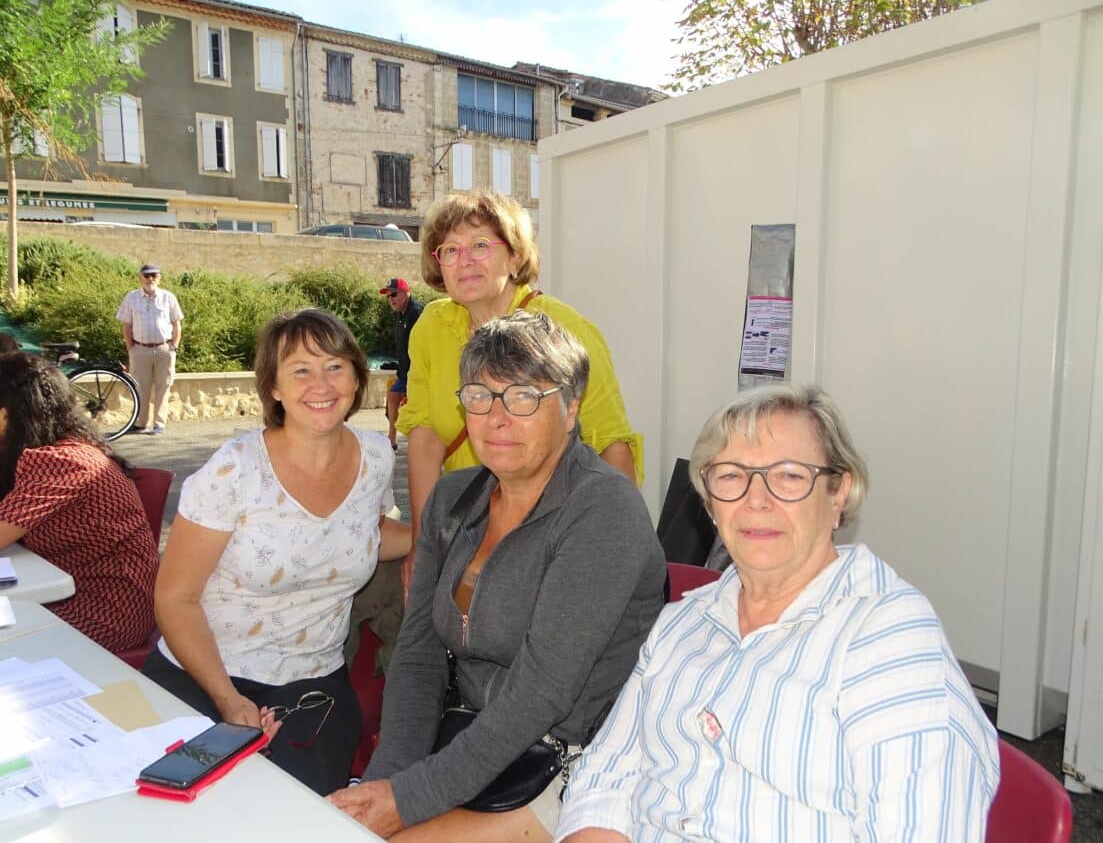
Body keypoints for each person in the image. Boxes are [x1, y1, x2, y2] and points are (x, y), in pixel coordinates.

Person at [556, 384, 1001, 842]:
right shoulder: (684, 623)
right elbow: (607, 772)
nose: (756, 499)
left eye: (789, 476)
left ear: (838, 495)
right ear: (709, 502)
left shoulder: (891, 641)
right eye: (731, 475)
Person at [330, 312, 666, 840]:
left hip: (565, 761)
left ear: (571, 407)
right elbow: (417, 657)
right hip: (469, 741)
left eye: (524, 397)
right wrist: (385, 784)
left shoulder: (604, 511)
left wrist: (409, 799)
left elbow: (543, 693)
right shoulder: (453, 499)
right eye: (480, 397)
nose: (497, 418)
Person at [143, 309, 411, 795]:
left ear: (356, 376)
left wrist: (432, 537)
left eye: (335, 366)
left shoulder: (376, 455)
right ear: (274, 388)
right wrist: (228, 701)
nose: (321, 383)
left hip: (314, 688)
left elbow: (363, 533)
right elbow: (174, 599)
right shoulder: (235, 470)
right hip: (205, 678)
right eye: (300, 370)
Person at [396, 190, 641, 586]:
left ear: (514, 256)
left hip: (552, 536)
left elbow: (611, 444)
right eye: (450, 250)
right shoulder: (431, 328)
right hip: (469, 530)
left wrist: (616, 556)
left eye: (480, 245)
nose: (465, 260)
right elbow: (425, 438)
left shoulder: (565, 329)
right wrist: (425, 547)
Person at [0, 352, 158, 652]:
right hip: (73, 589)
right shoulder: (58, 445)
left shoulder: (61, 460)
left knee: (8, 644)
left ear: (11, 413)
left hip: (107, 607)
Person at [115, 262, 183, 436]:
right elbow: (127, 326)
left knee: (163, 387)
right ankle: (140, 423)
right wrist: (131, 349)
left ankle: (159, 424)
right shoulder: (131, 298)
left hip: (164, 349)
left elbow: (177, 324)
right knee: (140, 388)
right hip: (140, 349)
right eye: (147, 275)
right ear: (140, 278)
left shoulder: (168, 297)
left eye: (154, 275)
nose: (150, 279)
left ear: (159, 278)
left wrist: (173, 346)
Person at [380, 277, 423, 452]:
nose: (391, 299)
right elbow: (404, 347)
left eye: (394, 295)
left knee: (415, 411)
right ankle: (391, 439)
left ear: (406, 293)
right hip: (404, 372)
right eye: (388, 297)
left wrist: (417, 374)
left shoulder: (417, 313)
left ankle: (421, 444)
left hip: (418, 373)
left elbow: (422, 347)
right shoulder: (400, 315)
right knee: (392, 395)